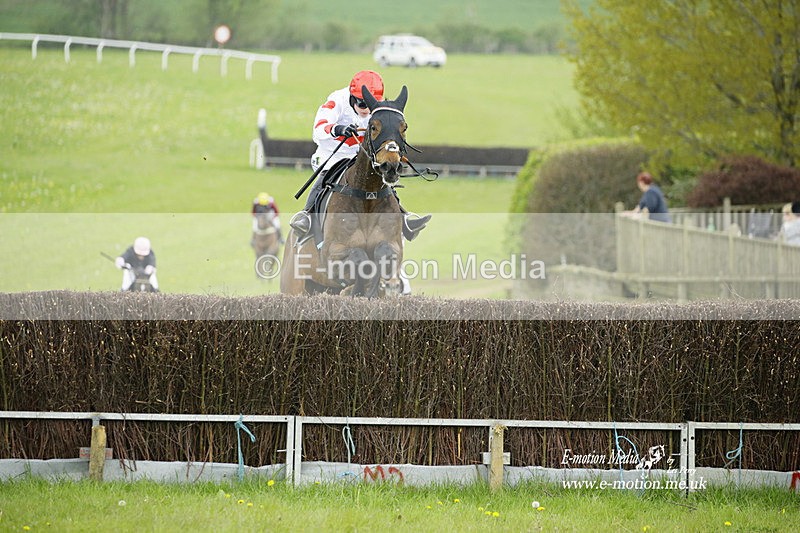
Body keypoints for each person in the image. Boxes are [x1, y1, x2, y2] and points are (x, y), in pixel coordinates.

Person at [289, 70, 429, 240]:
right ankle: (307, 215)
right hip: (333, 154)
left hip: (362, 156)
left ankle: (402, 216)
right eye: (362, 105)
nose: (366, 109)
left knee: (382, 177)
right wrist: (338, 129)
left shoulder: (378, 108)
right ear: (352, 97)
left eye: (369, 105)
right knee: (325, 177)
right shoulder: (336, 100)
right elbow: (319, 128)